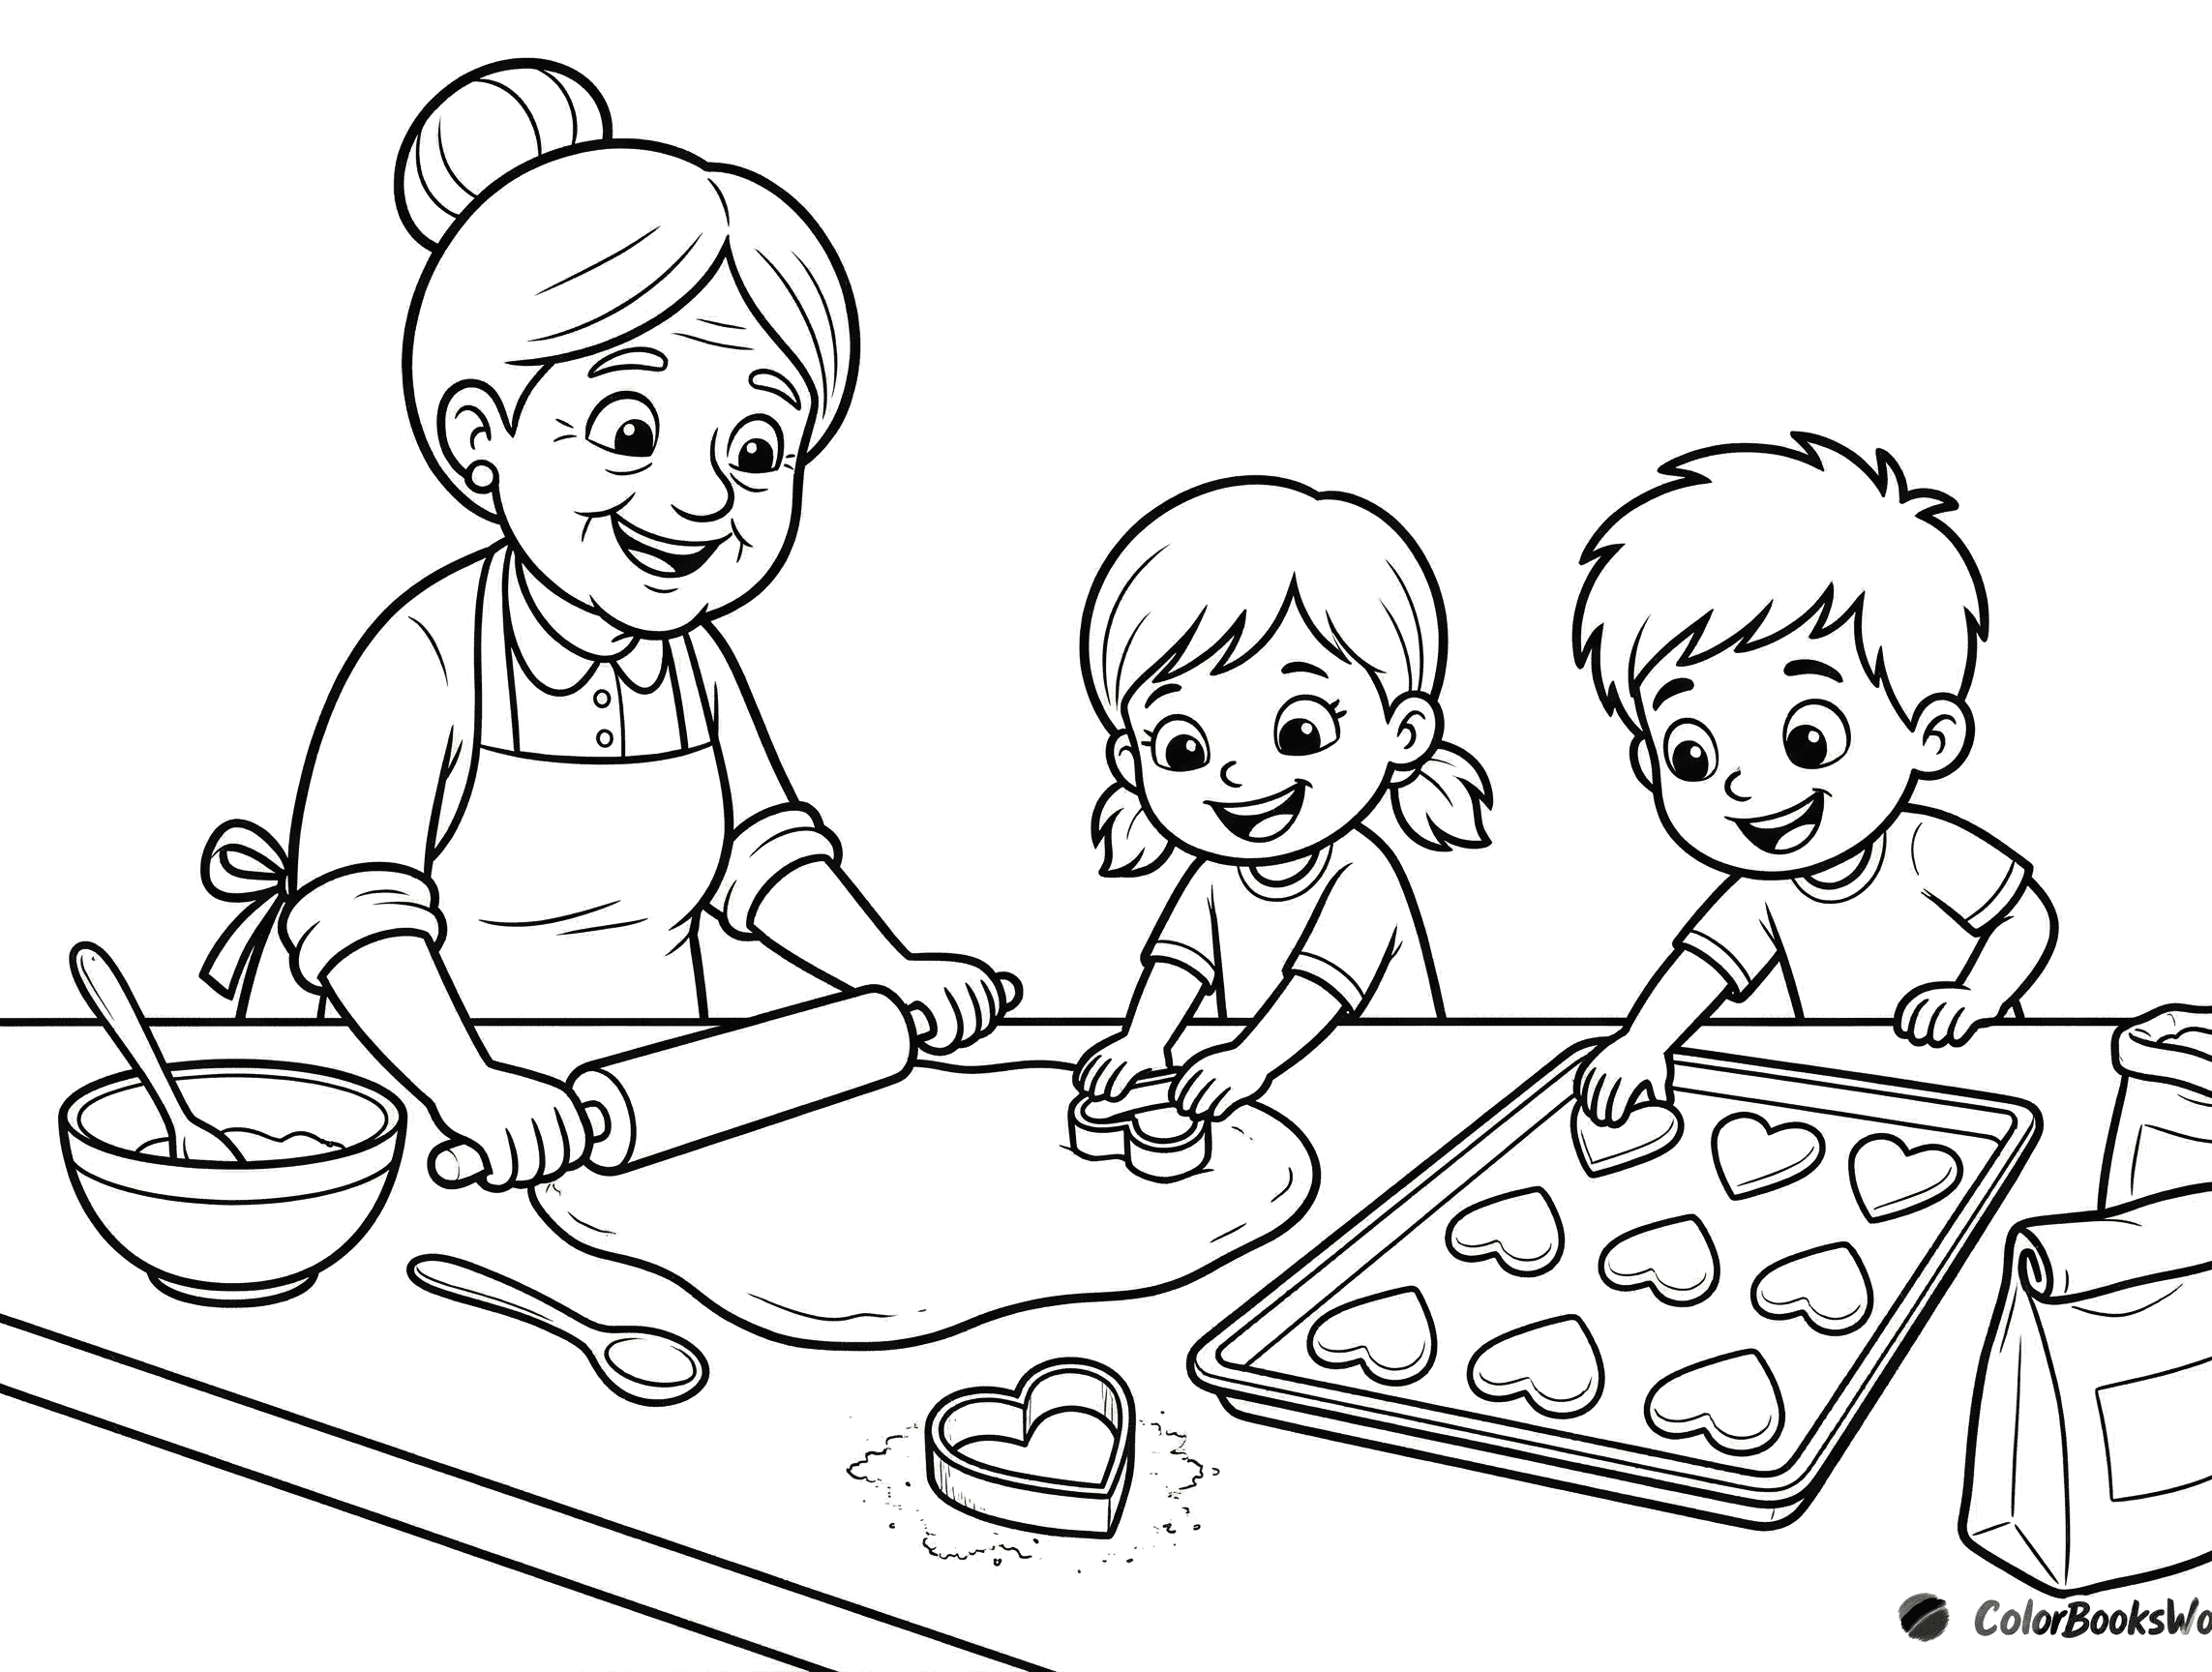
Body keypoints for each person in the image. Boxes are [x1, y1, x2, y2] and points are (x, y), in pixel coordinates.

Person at [251, 62, 1008, 1186]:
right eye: (628, 430)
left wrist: (884, 973)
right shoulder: (424, 662)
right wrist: (475, 1090)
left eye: (756, 450)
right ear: (481, 440)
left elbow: (765, 860)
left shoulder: (696, 666)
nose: (701, 500)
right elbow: (359, 920)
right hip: (428, 1129)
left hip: (652, 1126)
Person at [1570, 433, 2056, 1126]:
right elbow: (1702, 969)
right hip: (1854, 1095)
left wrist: (1976, 996)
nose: (1743, 787)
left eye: (1807, 740)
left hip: (1983, 1083)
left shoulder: (1924, 851)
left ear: (1929, 737)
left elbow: (2024, 916)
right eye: (1693, 756)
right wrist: (1642, 1042)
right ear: (1649, 765)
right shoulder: (1764, 895)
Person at [1073, 477, 1493, 1119]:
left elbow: (1321, 986)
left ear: (1402, 733)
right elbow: (1181, 963)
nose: (1237, 775)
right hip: (1273, 1094)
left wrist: (1250, 1059)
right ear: (1132, 763)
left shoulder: (1362, 875)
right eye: (1186, 749)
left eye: (1299, 733)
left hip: (1395, 1092)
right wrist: (1144, 1040)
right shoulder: (1215, 875)